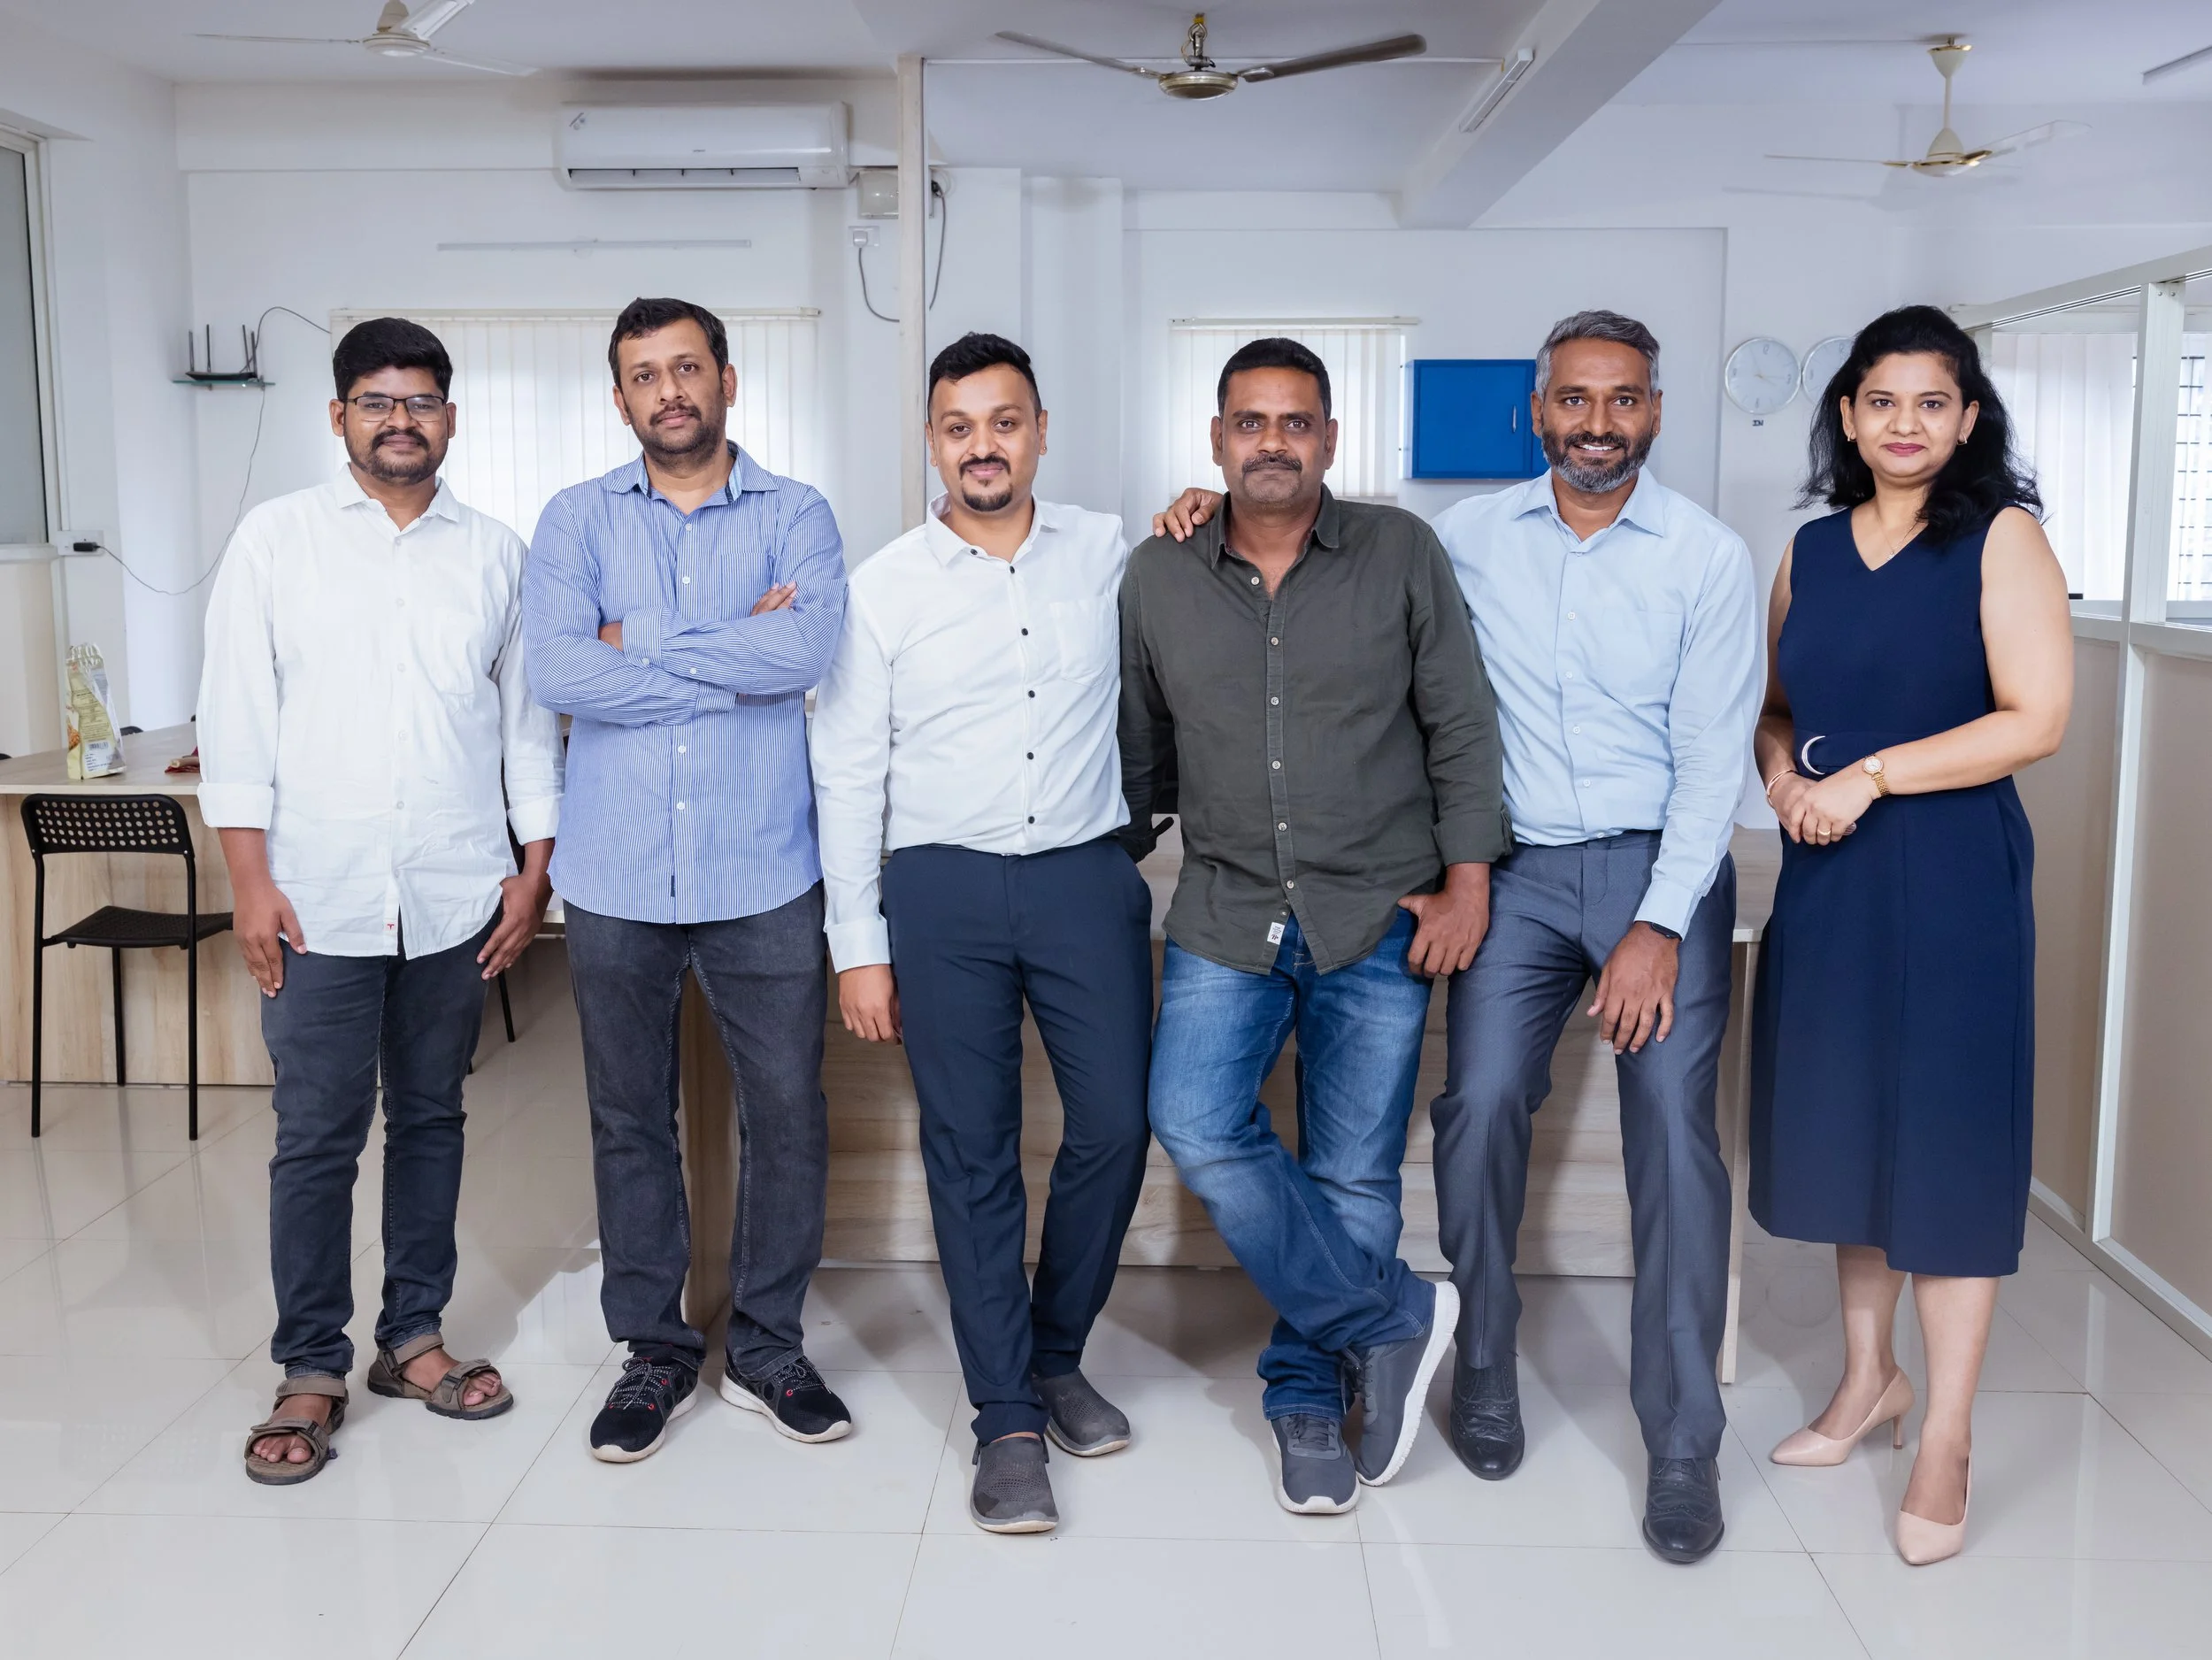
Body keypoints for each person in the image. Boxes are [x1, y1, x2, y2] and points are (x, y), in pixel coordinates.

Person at [1152, 310, 1761, 1564]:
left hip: (1659, 863)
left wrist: (1659, 923)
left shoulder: (1707, 555)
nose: (1599, 423)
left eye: (1625, 400)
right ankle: (1472, 1357)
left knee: (1675, 1140)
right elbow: (1426, 694)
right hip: (1523, 872)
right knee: (1476, 1105)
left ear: (1655, 409)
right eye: (1576, 401)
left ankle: (1685, 1441)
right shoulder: (1461, 538)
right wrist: (1194, 510)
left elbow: (1712, 763)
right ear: (1536, 414)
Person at [1123, 336, 1509, 1516]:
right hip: (1228, 902)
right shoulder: (1160, 571)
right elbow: (1142, 750)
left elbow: (1460, 725)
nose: (1273, 442)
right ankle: (1395, 1314)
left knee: (1351, 1171)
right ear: (1217, 439)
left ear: (1330, 439)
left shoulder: (1401, 552)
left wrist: (1471, 880)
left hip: (1380, 909)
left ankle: (1305, 1398)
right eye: (1251, 422)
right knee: (1190, 1116)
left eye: (1296, 422)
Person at [200, 317, 562, 1485]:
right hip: (316, 899)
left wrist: (533, 869)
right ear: (340, 416)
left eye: (419, 402)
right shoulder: (276, 542)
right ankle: (311, 1364)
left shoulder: (497, 554)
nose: (398, 420)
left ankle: (414, 1337)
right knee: (314, 1138)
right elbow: (237, 720)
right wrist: (249, 880)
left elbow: (524, 729)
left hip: (455, 893)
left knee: (435, 1120)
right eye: (376, 401)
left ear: (450, 419)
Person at [812, 333, 1151, 1533]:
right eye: (959, 426)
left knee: (1116, 1122)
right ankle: (1007, 1416)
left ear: (1041, 429)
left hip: (1081, 878)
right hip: (941, 891)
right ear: (932, 440)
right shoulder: (882, 586)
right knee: (972, 1152)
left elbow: (1216, 578)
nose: (983, 446)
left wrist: (1202, 510)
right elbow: (847, 770)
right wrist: (859, 943)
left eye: (1004, 422)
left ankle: (1055, 1351)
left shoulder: (1112, 553)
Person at [1750, 304, 2070, 1566]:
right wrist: (1779, 776)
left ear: (1969, 419)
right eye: (1883, 401)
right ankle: (1866, 1380)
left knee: (1943, 1143)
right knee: (1845, 1132)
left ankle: (1946, 1433)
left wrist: (1871, 778)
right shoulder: (1809, 553)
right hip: (1829, 874)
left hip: (1949, 880)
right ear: (1846, 415)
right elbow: (1776, 709)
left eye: (1933, 403)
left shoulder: (2001, 539)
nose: (1905, 424)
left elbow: (2034, 717)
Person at [522, 296, 853, 1463]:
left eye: (686, 368)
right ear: (621, 398)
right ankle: (654, 1353)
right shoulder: (572, 523)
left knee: (787, 1117)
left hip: (765, 870)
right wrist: (728, 650)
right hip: (614, 876)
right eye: (643, 375)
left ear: (726, 379)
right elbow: (560, 670)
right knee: (628, 1121)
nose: (669, 390)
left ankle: (767, 1347)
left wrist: (638, 646)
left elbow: (806, 651)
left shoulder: (798, 514)